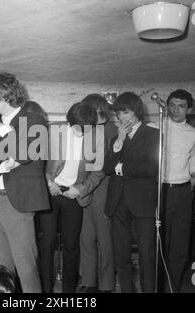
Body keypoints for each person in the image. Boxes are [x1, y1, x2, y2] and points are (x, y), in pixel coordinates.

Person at [0, 72, 49, 293]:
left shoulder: (33, 120)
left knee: (26, 269)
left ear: (3, 95)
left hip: (18, 203)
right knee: (1, 271)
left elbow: (26, 153)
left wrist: (4, 130)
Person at [40, 101, 104, 293]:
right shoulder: (51, 131)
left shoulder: (95, 139)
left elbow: (98, 172)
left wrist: (80, 189)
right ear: (69, 121)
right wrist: (49, 183)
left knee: (71, 244)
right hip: (50, 192)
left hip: (74, 195)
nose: (82, 133)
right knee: (48, 241)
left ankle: (69, 292)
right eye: (78, 128)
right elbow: (36, 162)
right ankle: (45, 290)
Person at [103, 92, 159, 293]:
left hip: (143, 202)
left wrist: (121, 168)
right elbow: (107, 167)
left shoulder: (153, 135)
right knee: (121, 254)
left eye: (125, 112)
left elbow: (150, 168)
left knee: (146, 254)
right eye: (118, 113)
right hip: (118, 201)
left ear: (136, 111)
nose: (121, 117)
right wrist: (119, 141)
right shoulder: (116, 137)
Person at [160, 89, 195, 292]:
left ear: (189, 109)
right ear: (166, 106)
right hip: (160, 191)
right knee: (159, 241)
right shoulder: (156, 126)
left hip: (183, 192)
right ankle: (157, 285)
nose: (175, 109)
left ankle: (172, 287)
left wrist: (194, 178)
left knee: (180, 244)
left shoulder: (193, 133)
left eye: (181, 106)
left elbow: (192, 158)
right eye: (172, 105)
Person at [78, 94, 117, 293]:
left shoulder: (112, 130)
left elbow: (103, 165)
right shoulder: (85, 130)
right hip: (83, 187)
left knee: (105, 240)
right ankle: (88, 281)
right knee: (86, 237)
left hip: (103, 187)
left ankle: (107, 284)